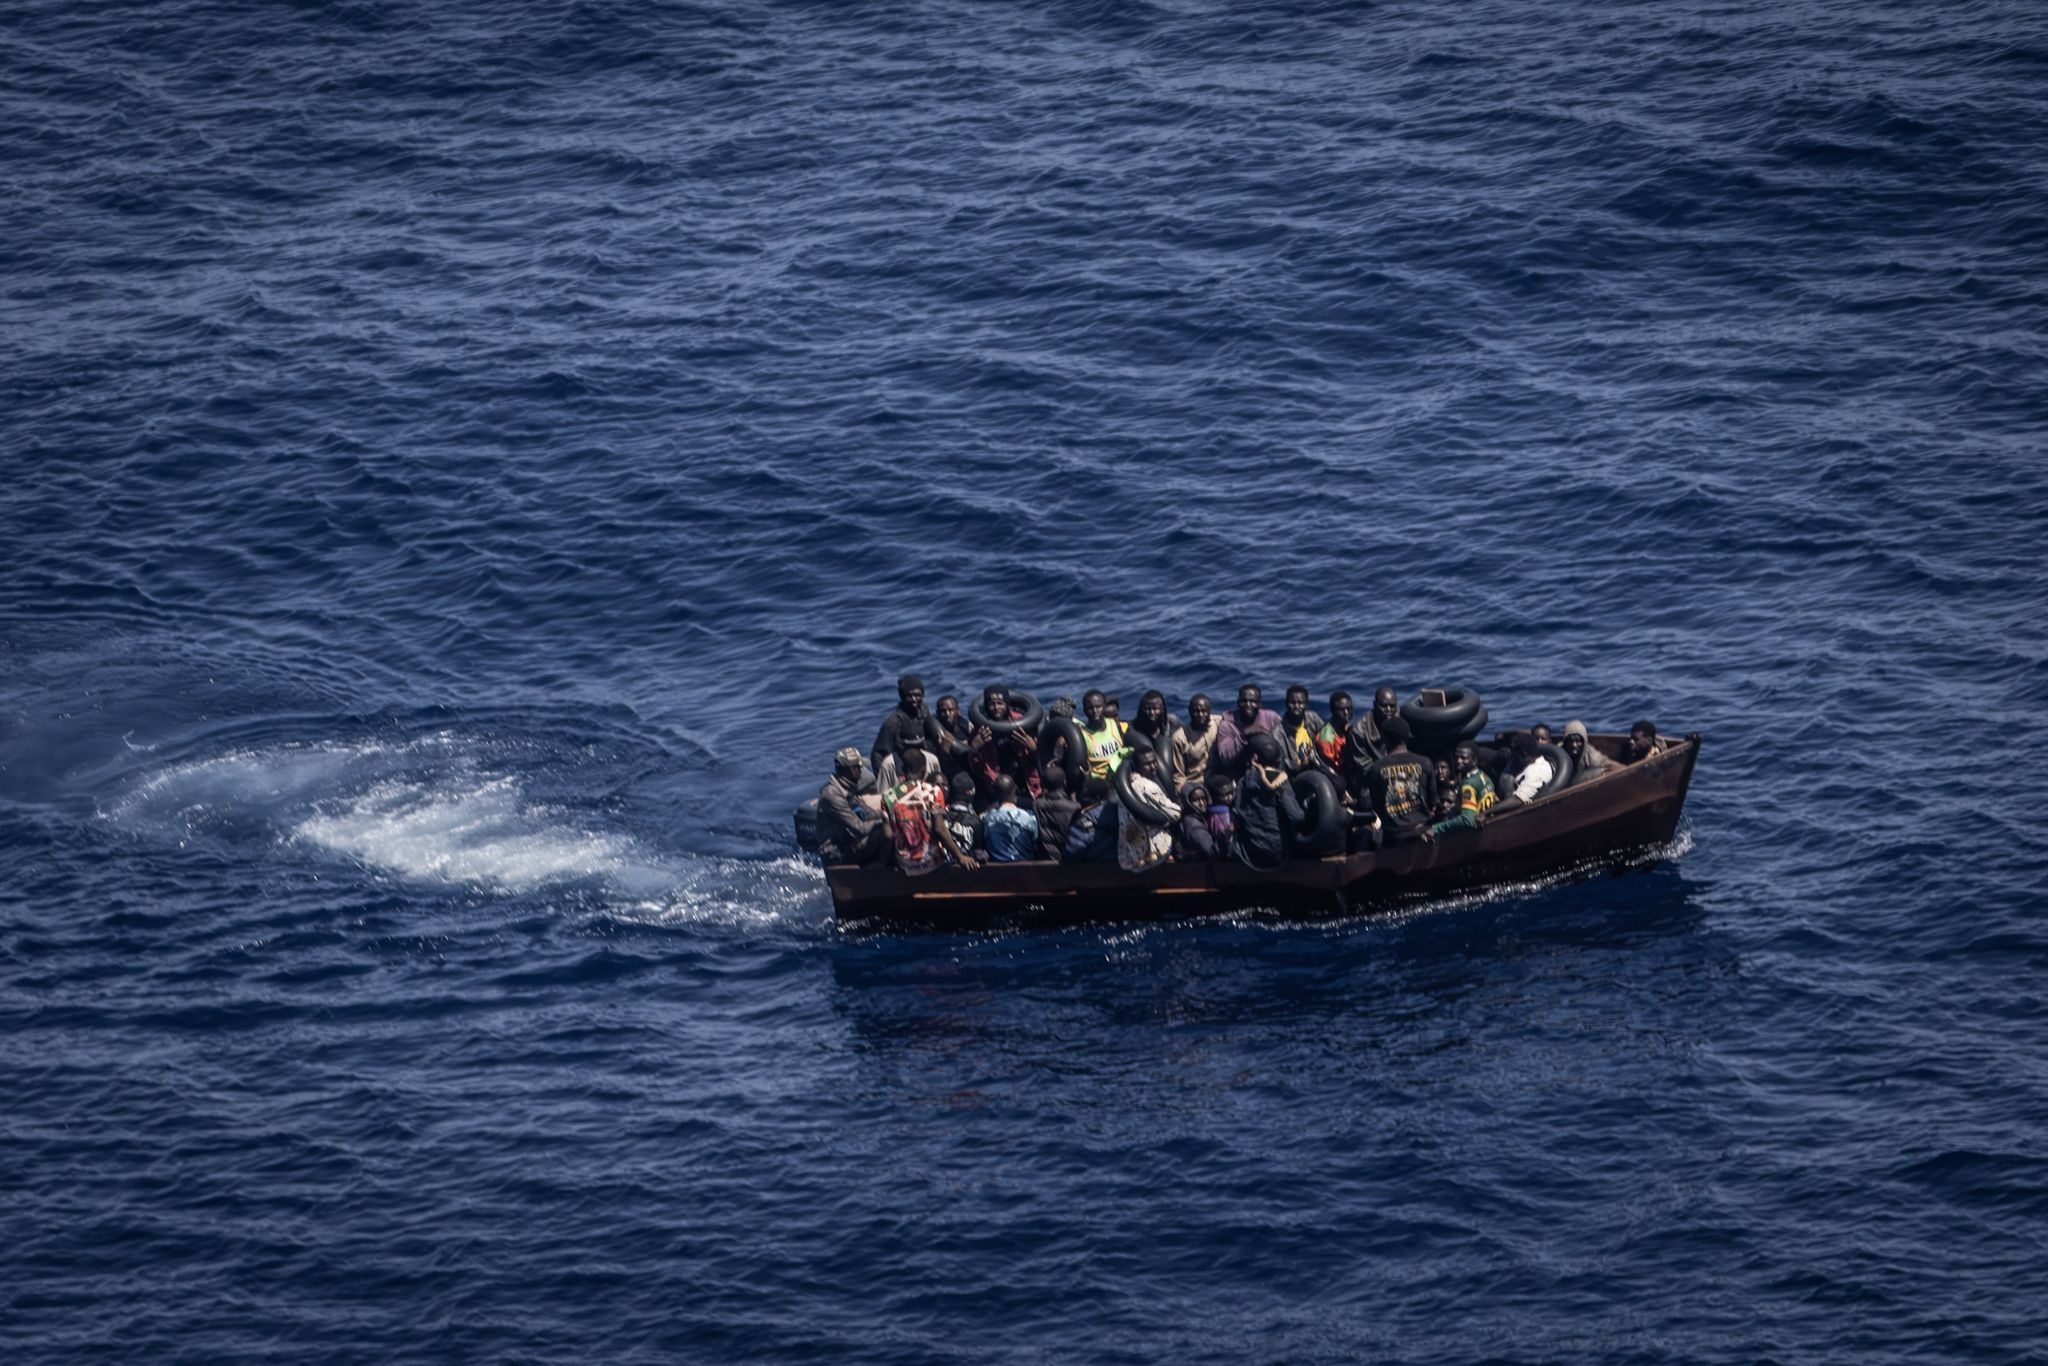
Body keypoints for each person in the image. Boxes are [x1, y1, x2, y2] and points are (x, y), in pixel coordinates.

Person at [882, 749, 977, 873]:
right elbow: (940, 829)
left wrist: (883, 863)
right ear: (923, 771)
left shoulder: (888, 796)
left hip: (905, 865)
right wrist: (960, 856)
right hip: (932, 862)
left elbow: (888, 836)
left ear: (903, 770)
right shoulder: (933, 792)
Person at [1233, 732, 1307, 869]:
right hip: (1279, 854)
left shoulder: (1243, 781)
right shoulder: (1281, 782)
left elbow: (1237, 812)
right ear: (1278, 761)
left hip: (1251, 853)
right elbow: (1296, 817)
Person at [1359, 717, 1437, 844]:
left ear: (1384, 739)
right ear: (1407, 737)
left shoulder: (1375, 769)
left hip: (1393, 836)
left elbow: (1376, 806)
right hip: (1421, 833)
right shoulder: (1425, 763)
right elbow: (1433, 802)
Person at [966, 684, 1041, 808]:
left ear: (1007, 704)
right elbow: (976, 770)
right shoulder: (981, 731)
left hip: (1027, 784)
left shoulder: (1023, 723)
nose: (996, 707)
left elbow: (1039, 761)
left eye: (1000, 703)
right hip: (998, 789)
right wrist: (974, 749)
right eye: (992, 704)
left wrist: (1032, 748)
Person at [815, 746, 888, 867]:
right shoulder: (832, 795)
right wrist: (884, 821)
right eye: (856, 767)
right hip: (836, 852)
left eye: (860, 767)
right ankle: (881, 872)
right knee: (884, 832)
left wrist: (892, 812)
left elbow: (867, 814)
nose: (860, 770)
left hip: (849, 842)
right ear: (844, 770)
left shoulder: (848, 789)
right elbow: (860, 829)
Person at [1115, 747, 1181, 872]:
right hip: (1154, 856)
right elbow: (1176, 814)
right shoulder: (1147, 787)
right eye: (1147, 764)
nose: (1153, 767)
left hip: (1129, 858)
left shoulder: (1126, 786)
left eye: (1154, 762)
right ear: (1137, 766)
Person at [870, 673, 943, 777]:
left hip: (923, 760)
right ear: (902, 697)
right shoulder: (893, 722)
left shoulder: (924, 710)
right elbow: (878, 754)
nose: (914, 699)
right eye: (909, 696)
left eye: (918, 695)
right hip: (903, 767)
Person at [1424, 742, 1496, 839]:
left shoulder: (1468, 785)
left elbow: (1467, 820)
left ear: (1474, 760)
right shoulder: (1484, 777)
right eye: (1456, 757)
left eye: (1464, 758)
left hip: (1472, 837)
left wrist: (1436, 828)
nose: (1458, 761)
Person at [1214, 684, 1281, 779]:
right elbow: (1226, 757)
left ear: (1260, 704)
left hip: (1269, 768)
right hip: (1240, 771)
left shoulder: (1271, 718)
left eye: (1253, 701)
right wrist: (1244, 737)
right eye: (1244, 701)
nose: (1248, 705)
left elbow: (1282, 746)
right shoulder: (1227, 724)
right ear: (1238, 702)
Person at [1490, 731, 1552, 814]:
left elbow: (1519, 800)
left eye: (1514, 752)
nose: (1511, 755)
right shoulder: (1527, 763)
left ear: (1524, 754)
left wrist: (1486, 812)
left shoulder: (1535, 772)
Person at [981, 775, 1040, 862]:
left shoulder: (986, 819)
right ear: (1015, 790)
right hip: (1027, 872)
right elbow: (1037, 845)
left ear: (995, 794)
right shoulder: (1029, 818)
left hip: (995, 873)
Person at [1345, 685, 1403, 772]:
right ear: (1374, 705)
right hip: (1373, 775)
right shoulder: (1359, 730)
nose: (1388, 710)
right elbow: (1364, 765)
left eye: (1392, 706)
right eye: (1384, 706)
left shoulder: (1401, 720)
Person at [1076, 689, 1129, 784]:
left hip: (1122, 776)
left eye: (1098, 707)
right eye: (1090, 708)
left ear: (1104, 706)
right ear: (1084, 711)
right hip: (1100, 783)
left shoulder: (1115, 725)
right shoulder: (1082, 735)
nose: (1095, 711)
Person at [1172, 693, 1220, 789]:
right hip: (1195, 784)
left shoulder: (1219, 723)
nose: (1200, 715)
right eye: (1196, 711)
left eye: (1204, 711)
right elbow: (1178, 775)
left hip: (1218, 779)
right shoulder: (1179, 738)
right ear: (1189, 711)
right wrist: (1182, 795)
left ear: (1210, 711)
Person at [1033, 765, 1080, 862]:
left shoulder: (1037, 804)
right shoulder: (1075, 807)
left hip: (1047, 858)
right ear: (1065, 783)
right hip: (1070, 859)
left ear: (1044, 785)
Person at [1275, 684, 1325, 771]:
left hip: (1318, 764)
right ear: (1286, 704)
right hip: (1295, 773)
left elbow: (1325, 738)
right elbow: (1282, 762)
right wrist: (1300, 763)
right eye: (1293, 703)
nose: (1296, 706)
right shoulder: (1277, 733)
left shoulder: (1313, 718)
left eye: (1300, 703)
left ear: (1306, 705)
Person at [1126, 689, 1180, 769]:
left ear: (1162, 709)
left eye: (1155, 709)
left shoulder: (1172, 727)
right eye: (1147, 709)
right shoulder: (1133, 729)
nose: (1151, 713)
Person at [932, 694, 972, 786]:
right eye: (943, 711)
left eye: (951, 710)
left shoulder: (966, 727)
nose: (947, 714)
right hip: (950, 774)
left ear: (958, 711)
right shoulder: (935, 733)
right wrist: (944, 750)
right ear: (938, 713)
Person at [1315, 691, 1354, 783]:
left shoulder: (1348, 728)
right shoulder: (1326, 737)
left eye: (1349, 708)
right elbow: (1331, 768)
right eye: (1341, 709)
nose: (1346, 712)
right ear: (1333, 711)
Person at [943, 773, 984, 858]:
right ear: (971, 792)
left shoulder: (940, 817)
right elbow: (980, 849)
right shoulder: (975, 821)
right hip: (967, 868)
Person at [1176, 782, 1218, 861]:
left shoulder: (1201, 816)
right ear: (1187, 802)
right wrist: (1227, 833)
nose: (1201, 803)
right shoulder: (1192, 823)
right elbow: (1211, 851)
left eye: (1203, 798)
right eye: (1195, 800)